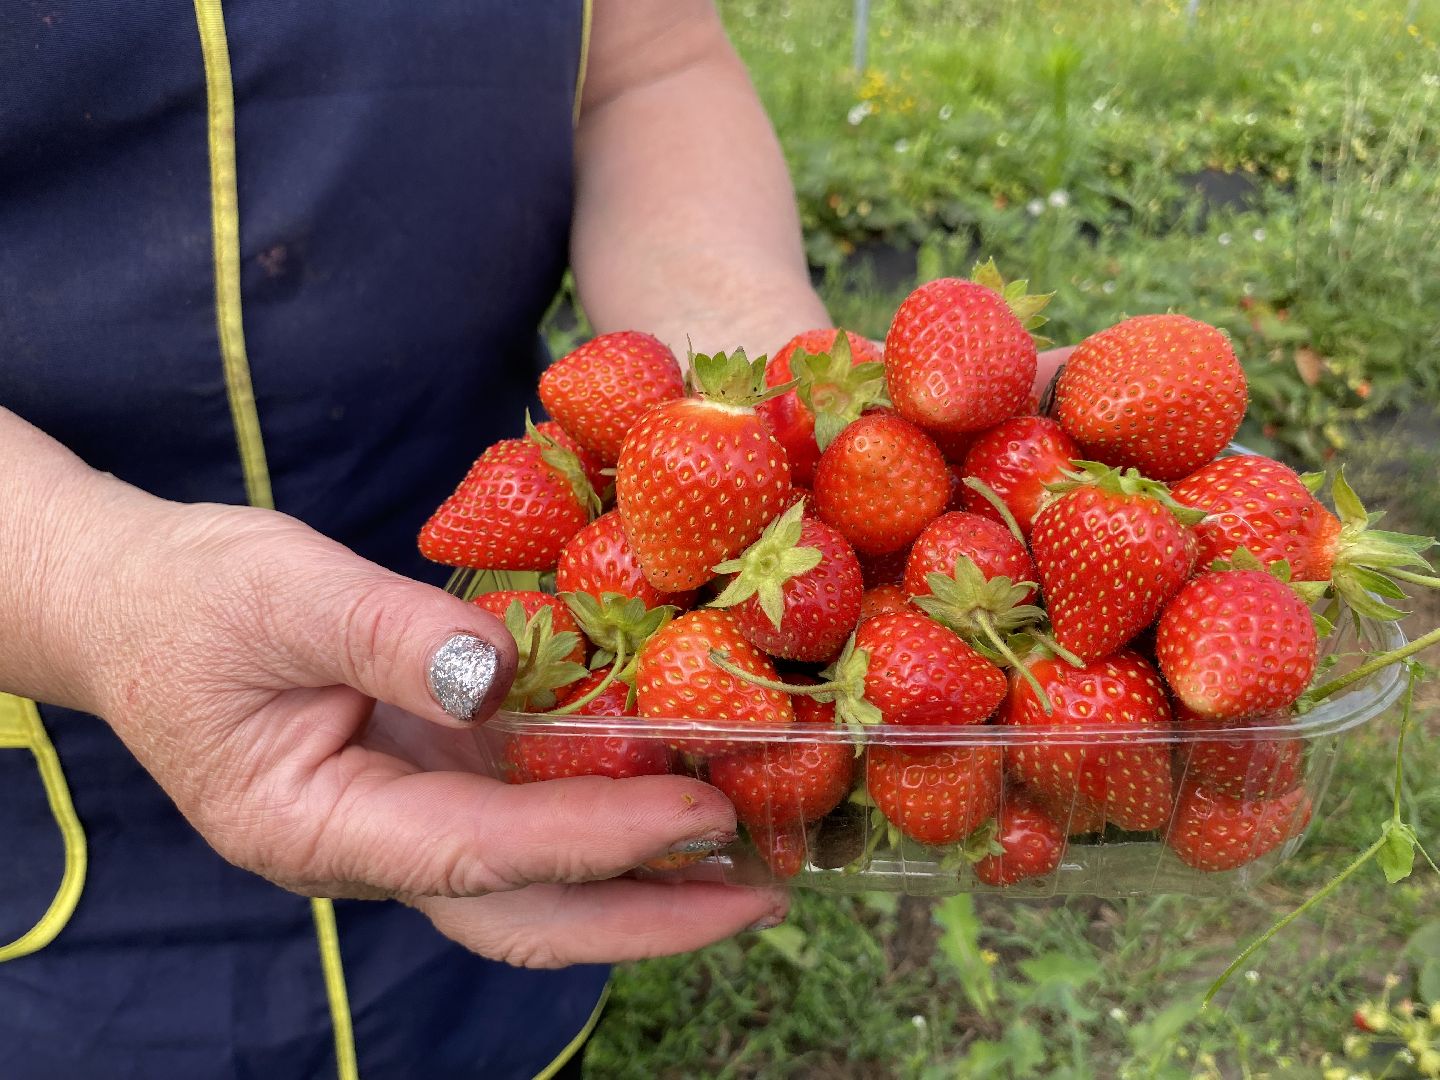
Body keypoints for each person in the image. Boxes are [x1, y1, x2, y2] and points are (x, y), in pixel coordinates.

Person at [0, 3, 1070, 1075]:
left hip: (535, 667)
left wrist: (763, 413)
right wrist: (76, 584)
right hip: (56, 799)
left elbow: (645, 69)